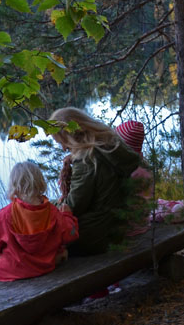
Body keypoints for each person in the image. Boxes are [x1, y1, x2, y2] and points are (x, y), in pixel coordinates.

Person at [50, 107, 142, 256]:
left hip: (95, 236)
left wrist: (48, 205)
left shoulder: (87, 160)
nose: (64, 148)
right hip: (118, 227)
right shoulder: (110, 145)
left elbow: (74, 206)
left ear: (73, 135)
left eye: (62, 141)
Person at [0, 161, 79, 283]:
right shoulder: (53, 212)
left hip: (11, 271)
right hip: (44, 267)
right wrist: (67, 214)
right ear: (40, 183)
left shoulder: (5, 215)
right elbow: (70, 235)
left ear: (15, 187)